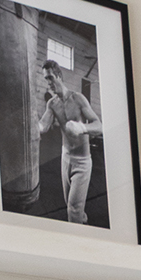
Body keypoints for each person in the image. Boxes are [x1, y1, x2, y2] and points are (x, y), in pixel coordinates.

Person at [37, 59, 105, 224]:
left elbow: (99, 126)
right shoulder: (52, 104)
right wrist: (33, 124)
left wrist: (81, 128)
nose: (49, 83)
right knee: (71, 205)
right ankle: (83, 222)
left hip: (82, 162)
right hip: (65, 159)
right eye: (46, 79)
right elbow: (43, 126)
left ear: (59, 76)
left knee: (73, 210)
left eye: (51, 77)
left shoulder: (78, 99)